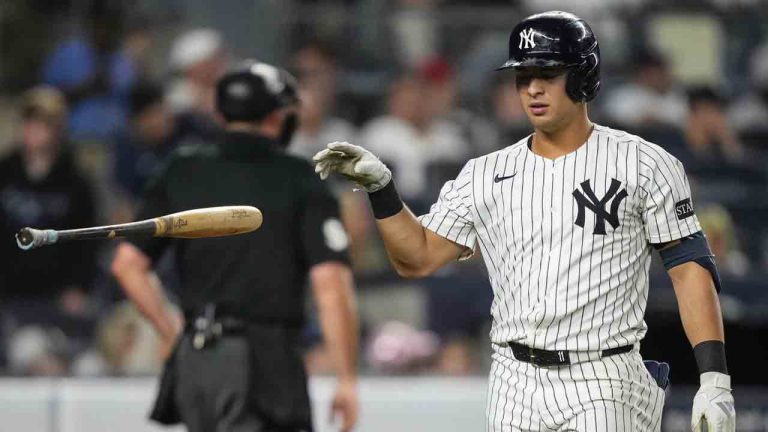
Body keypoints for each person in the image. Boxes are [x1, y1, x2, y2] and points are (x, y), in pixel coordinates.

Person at [314, 11, 734, 432]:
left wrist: (714, 378)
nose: (532, 88)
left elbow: (689, 269)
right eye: (522, 75)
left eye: (546, 74)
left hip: (604, 376)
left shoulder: (645, 163)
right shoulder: (484, 173)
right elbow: (416, 259)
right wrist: (382, 190)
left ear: (583, 76)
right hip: (513, 380)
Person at [111, 60, 359, 432]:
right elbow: (331, 283)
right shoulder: (297, 177)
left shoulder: (181, 169)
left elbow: (127, 265)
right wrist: (346, 378)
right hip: (262, 360)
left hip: (196, 361)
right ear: (278, 117)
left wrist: (172, 331)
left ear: (219, 112)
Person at [0, 86, 97, 361]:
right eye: (32, 121)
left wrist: (78, 287)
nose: (37, 130)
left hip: (59, 297)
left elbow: (86, 241)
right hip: (9, 294)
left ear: (58, 129)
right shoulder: (4, 174)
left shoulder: (75, 182)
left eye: (46, 123)